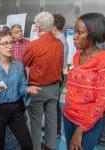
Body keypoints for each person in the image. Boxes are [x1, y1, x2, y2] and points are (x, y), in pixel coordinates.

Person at [0, 31, 39, 150]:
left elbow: (21, 87)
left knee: (28, 145)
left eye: (11, 43)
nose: (10, 46)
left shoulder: (18, 65)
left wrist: (27, 89)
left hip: (16, 110)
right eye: (5, 43)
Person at [63, 13, 105, 150]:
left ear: (93, 35)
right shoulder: (76, 56)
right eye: (75, 31)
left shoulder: (102, 61)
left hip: (88, 123)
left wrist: (80, 130)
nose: (74, 36)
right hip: (68, 116)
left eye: (80, 33)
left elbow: (101, 103)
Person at [22, 12, 63, 150]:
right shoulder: (59, 44)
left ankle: (36, 147)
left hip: (37, 88)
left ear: (38, 26)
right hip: (54, 88)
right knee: (52, 120)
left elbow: (24, 63)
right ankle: (50, 146)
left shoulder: (34, 45)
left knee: (35, 122)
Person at [52, 13, 69, 138]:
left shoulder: (59, 41)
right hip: (59, 73)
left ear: (53, 27)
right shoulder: (61, 39)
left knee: (54, 103)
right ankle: (54, 127)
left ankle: (56, 130)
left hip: (57, 74)